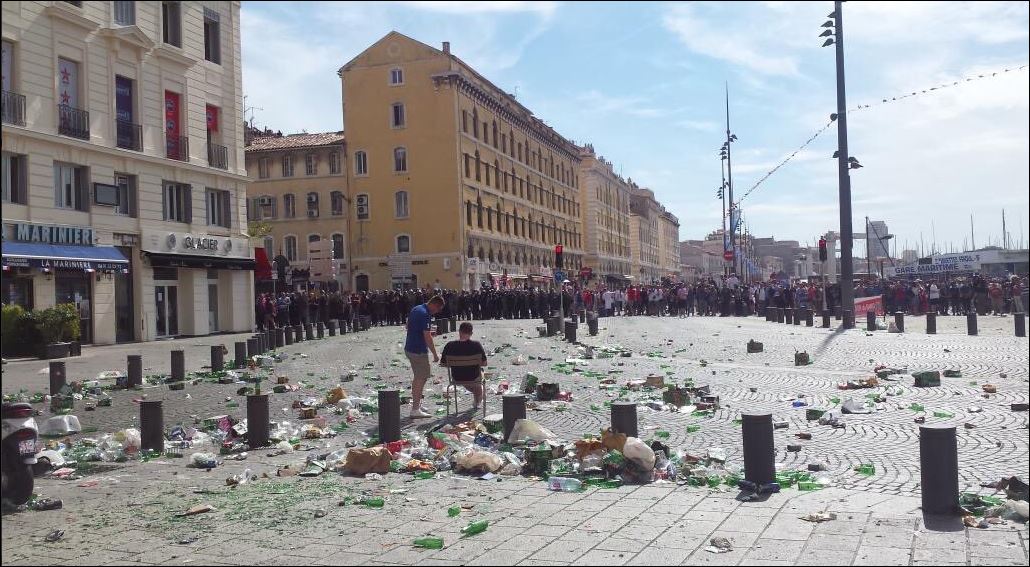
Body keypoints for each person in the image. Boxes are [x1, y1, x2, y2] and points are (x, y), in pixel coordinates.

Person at [405, 295, 444, 419]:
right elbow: (427, 337)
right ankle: (415, 409)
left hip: (410, 347)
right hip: (417, 350)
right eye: (437, 309)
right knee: (420, 378)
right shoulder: (424, 314)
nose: (436, 312)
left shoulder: (417, 308)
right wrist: (435, 354)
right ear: (434, 305)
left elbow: (408, 326)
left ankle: (417, 405)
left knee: (419, 378)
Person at [439, 322, 488, 408]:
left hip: (456, 377)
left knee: (470, 378)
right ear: (471, 333)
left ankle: (478, 395)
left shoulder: (449, 345)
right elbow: (484, 363)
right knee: (481, 374)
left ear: (459, 332)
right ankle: (479, 396)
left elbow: (443, 363)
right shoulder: (476, 345)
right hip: (473, 377)